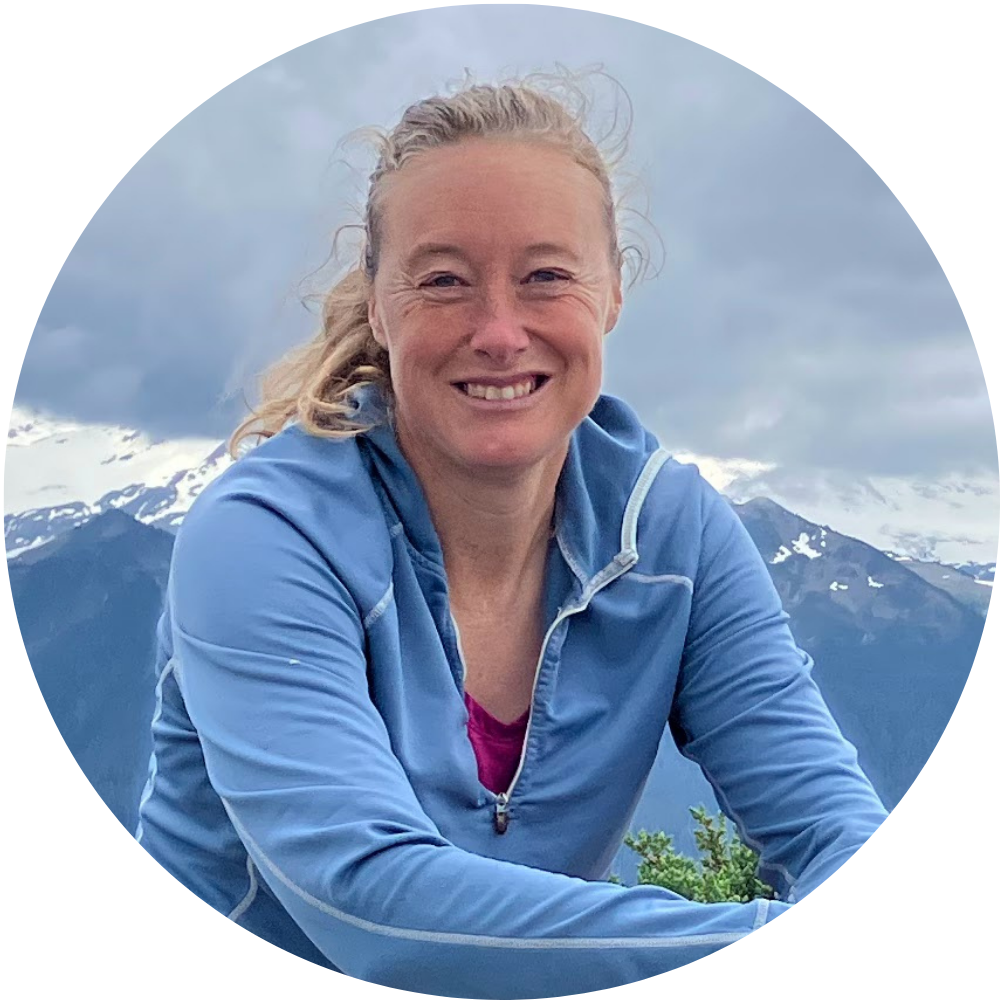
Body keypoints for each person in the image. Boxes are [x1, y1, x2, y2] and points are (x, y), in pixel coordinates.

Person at [135, 71, 888, 998]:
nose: (498, 331)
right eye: (444, 280)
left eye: (546, 276)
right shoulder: (262, 537)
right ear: (379, 305)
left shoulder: (676, 538)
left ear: (612, 293)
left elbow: (831, 829)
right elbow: (371, 907)